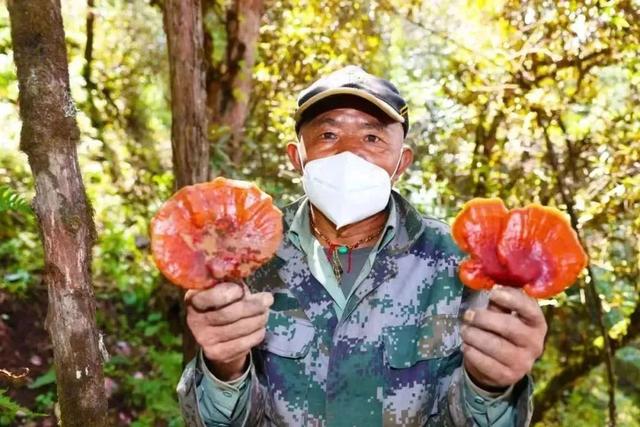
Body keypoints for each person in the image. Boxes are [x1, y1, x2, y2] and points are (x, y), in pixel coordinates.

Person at [177, 66, 547, 426]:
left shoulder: (459, 263)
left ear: (401, 163)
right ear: (296, 157)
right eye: (328, 135)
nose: (349, 153)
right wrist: (224, 365)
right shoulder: (246, 257)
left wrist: (491, 384)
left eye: (372, 138)